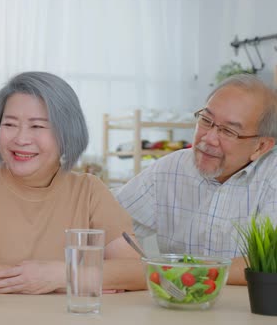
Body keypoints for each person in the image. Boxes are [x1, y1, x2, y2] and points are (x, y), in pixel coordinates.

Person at [0, 71, 145, 294]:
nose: (21, 139)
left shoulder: (90, 191)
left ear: (68, 134)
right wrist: (72, 280)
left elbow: (139, 271)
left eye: (37, 126)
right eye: (9, 124)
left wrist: (58, 276)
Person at [114, 74, 277, 285]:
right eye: (206, 120)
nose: (208, 138)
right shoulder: (170, 169)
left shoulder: (271, 178)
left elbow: (267, 265)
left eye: (228, 131)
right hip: (180, 309)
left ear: (261, 146)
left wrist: (181, 273)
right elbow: (109, 223)